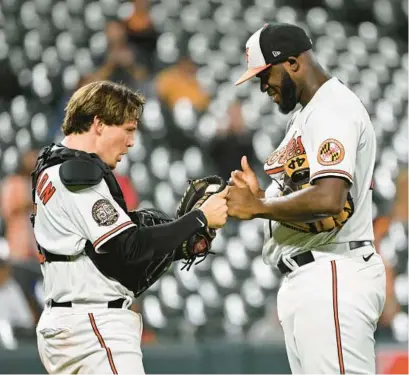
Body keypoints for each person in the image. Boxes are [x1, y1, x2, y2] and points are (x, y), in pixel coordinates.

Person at [32, 81, 228, 374]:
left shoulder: (53, 165)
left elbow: (104, 254)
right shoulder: (75, 175)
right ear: (99, 123)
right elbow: (129, 247)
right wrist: (198, 219)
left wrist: (177, 244)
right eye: (127, 129)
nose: (132, 141)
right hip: (93, 325)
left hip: (72, 319)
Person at [227, 23, 386, 374]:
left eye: (265, 74)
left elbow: (330, 198)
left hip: (332, 271)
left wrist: (258, 207)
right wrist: (263, 196)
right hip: (315, 276)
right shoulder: (309, 114)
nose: (262, 86)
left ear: (293, 64)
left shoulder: (331, 108)